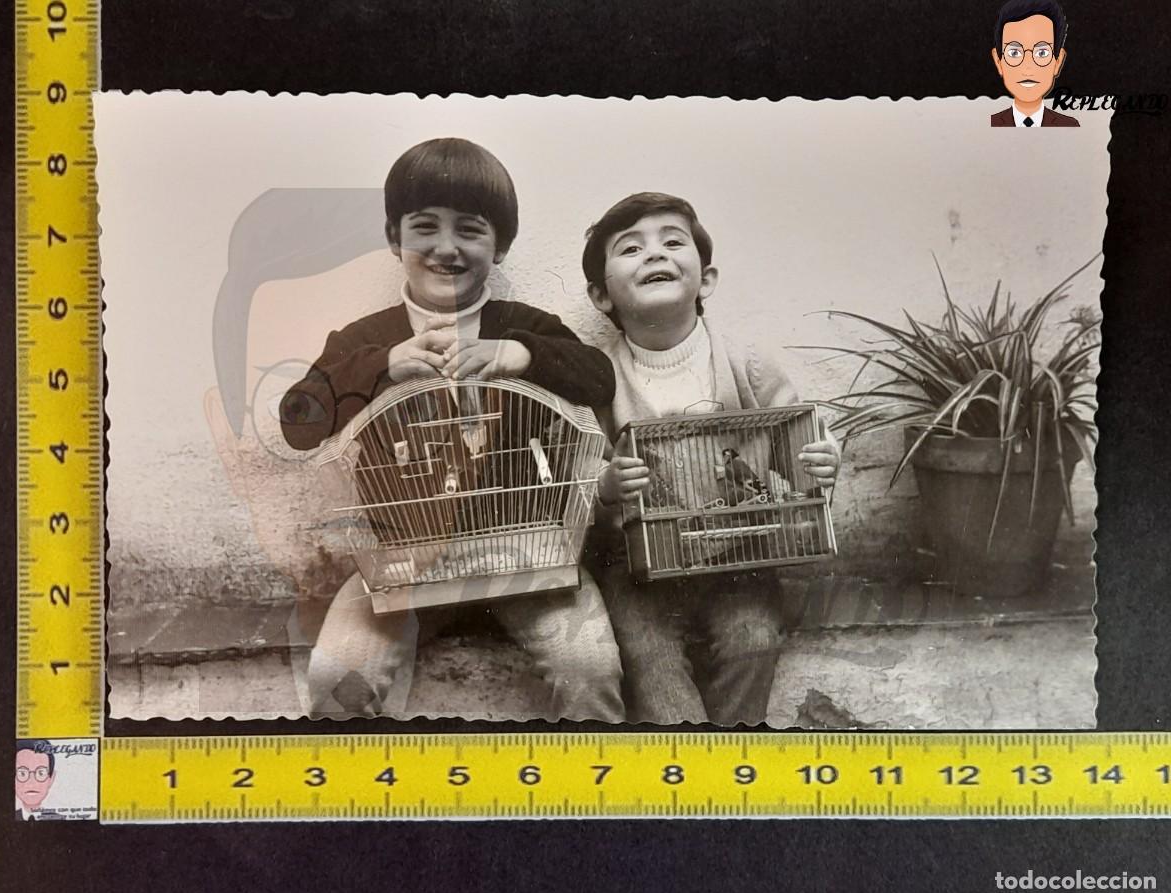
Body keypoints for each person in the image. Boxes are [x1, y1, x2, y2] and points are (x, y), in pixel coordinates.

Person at [279, 138, 624, 722]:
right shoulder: (364, 339)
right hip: (399, 566)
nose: (446, 248)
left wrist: (521, 353)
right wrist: (381, 366)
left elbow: (599, 378)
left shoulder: (527, 325)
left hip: (528, 554)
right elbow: (296, 422)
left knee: (589, 666)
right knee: (337, 674)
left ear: (501, 246)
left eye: (470, 229)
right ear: (395, 239)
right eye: (424, 228)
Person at [582, 192, 842, 725]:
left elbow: (795, 430)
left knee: (753, 637)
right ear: (600, 296)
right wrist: (606, 485)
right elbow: (580, 469)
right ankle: (683, 759)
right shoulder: (596, 377)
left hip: (739, 553)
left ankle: (727, 757)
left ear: (707, 280)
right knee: (647, 652)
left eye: (673, 242)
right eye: (630, 248)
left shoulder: (743, 358)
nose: (655, 254)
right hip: (638, 566)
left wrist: (819, 459)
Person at [989, 0, 1079, 127]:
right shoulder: (988, 125)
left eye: (1042, 53)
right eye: (1014, 53)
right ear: (998, 62)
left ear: (1058, 62)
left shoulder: (1070, 126)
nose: (1028, 66)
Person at [15, 740, 61, 821]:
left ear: (51, 779)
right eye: (22, 773)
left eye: (41, 773)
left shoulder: (59, 819)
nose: (31, 783)